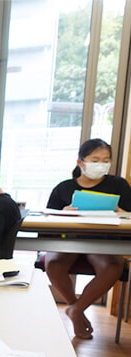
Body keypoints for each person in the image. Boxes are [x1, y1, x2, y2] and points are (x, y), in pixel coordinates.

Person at [44, 138, 131, 339]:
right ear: (80, 162)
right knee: (53, 264)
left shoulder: (119, 185)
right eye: (95, 160)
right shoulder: (63, 188)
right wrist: (63, 213)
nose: (101, 164)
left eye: (106, 160)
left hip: (105, 242)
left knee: (112, 267)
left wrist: (121, 212)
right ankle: (76, 308)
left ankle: (75, 310)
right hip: (69, 241)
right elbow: (47, 221)